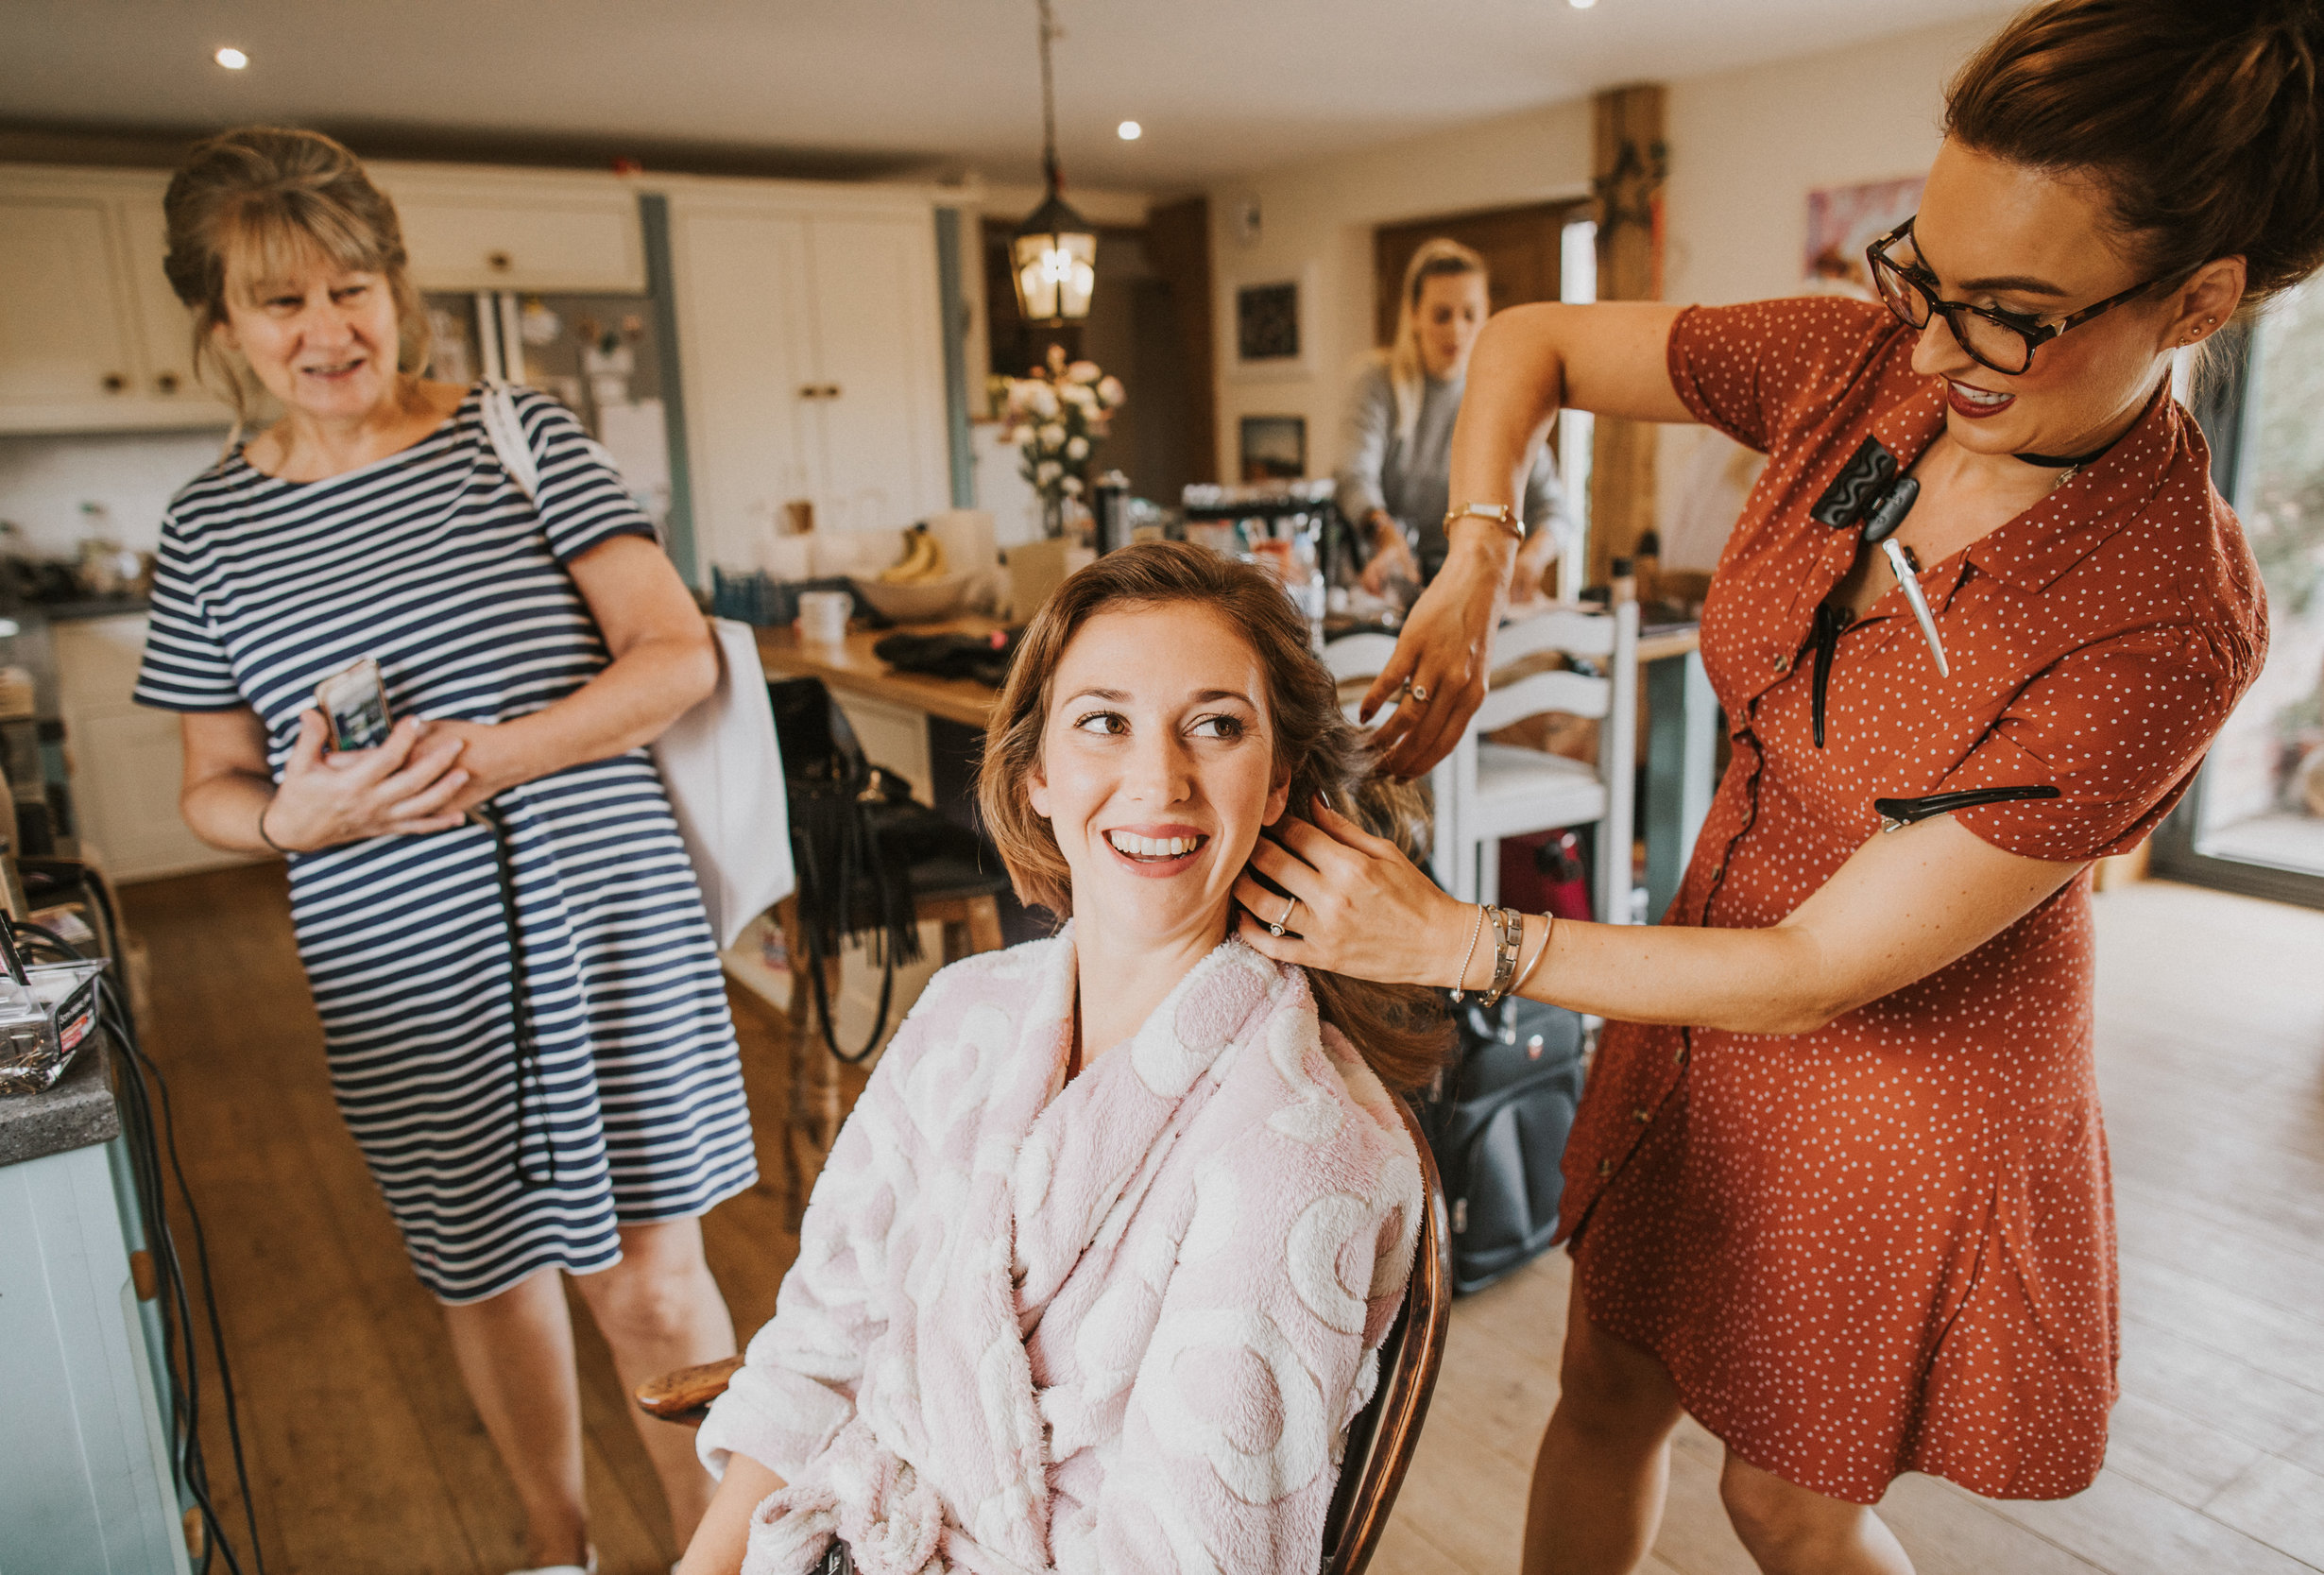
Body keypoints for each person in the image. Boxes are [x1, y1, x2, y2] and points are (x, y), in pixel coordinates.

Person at [1243, 3, 2319, 1571]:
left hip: (1903, 1061)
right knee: (1603, 1382)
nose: (1938, 349)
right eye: (1925, 276)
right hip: (1689, 979)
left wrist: (1459, 939)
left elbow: (1821, 975)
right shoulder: (1858, 369)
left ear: (2199, 298)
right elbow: (1527, 341)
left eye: (2011, 313)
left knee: (1786, 1495)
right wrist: (1476, 559)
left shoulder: (2167, 612)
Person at [135, 127, 755, 1575]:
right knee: (486, 1272)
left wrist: (498, 750)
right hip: (399, 960)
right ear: (223, 325)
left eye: (350, 287)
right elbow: (212, 786)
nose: (326, 328)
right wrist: (294, 819)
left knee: (657, 1285)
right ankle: (557, 1547)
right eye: (280, 301)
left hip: (601, 916)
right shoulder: (209, 528)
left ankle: (719, 1552)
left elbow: (673, 658)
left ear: (395, 290)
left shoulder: (515, 432)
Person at [678, 540, 1445, 1575]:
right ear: (1037, 774)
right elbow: (818, 1344)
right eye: (1104, 722)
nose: (1156, 779)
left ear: (1277, 783)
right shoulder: (964, 1015)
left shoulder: (1295, 1158)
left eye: (1215, 726)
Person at [1338, 237, 1569, 603]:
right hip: (1386, 586)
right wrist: (1387, 537)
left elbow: (1556, 511)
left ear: (1487, 313)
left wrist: (1532, 558)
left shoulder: (1503, 395)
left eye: (1469, 314)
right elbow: (1353, 477)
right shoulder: (1378, 382)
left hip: (1469, 593)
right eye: (1441, 315)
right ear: (1414, 315)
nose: (1457, 330)